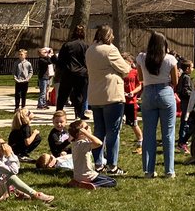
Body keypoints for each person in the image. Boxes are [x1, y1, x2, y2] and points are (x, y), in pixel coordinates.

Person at [85, 25, 131, 176]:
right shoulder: (110, 50)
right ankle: (112, 165)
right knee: (113, 132)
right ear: (109, 36)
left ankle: (98, 163)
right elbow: (125, 69)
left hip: (95, 95)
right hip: (111, 95)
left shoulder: (90, 50)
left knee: (99, 130)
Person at [136, 31, 179, 179]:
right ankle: (169, 171)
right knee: (168, 134)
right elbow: (175, 81)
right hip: (165, 92)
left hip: (148, 94)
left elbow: (140, 78)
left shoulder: (142, 57)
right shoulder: (170, 59)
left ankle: (149, 170)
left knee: (148, 134)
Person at [0, 135, 54, 204]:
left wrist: (11, 154)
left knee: (8, 175)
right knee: (9, 177)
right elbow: (14, 171)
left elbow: (17, 166)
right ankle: (35, 195)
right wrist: (9, 155)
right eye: (3, 144)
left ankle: (18, 193)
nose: (7, 146)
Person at [67, 119, 116, 189]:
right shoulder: (82, 144)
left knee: (106, 178)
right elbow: (99, 143)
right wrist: (88, 134)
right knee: (112, 181)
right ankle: (91, 185)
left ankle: (77, 182)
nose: (89, 127)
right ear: (81, 133)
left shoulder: (75, 143)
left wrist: (86, 134)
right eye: (87, 127)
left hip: (78, 175)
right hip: (87, 175)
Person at [55, 24, 90, 119]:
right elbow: (88, 60)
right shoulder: (85, 46)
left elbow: (61, 60)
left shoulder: (67, 45)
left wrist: (54, 59)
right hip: (81, 73)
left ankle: (59, 112)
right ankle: (79, 114)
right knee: (79, 94)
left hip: (68, 72)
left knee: (63, 94)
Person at [122, 53, 144, 151]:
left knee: (133, 122)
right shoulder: (120, 72)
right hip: (121, 100)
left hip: (131, 101)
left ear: (131, 62)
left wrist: (132, 92)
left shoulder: (135, 72)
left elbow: (139, 86)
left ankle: (140, 140)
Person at [175, 57, 194, 150]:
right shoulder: (186, 78)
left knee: (185, 121)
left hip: (184, 102)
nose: (193, 69)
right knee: (186, 121)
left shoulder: (184, 77)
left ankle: (183, 141)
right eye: (192, 67)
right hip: (186, 103)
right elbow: (185, 91)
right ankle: (181, 142)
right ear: (187, 69)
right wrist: (194, 94)